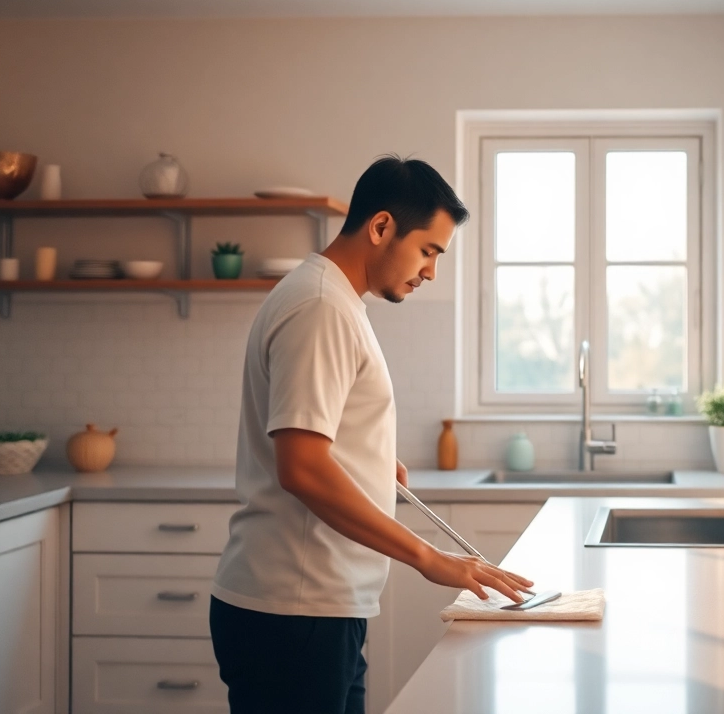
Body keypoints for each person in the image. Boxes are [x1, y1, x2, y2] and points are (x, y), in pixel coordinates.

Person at [210, 155, 533, 713]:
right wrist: (428, 557)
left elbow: (317, 440)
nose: (431, 271)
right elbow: (303, 468)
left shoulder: (335, 301)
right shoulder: (320, 308)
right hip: (294, 611)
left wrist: (371, 459)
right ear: (381, 227)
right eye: (429, 250)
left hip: (313, 609)